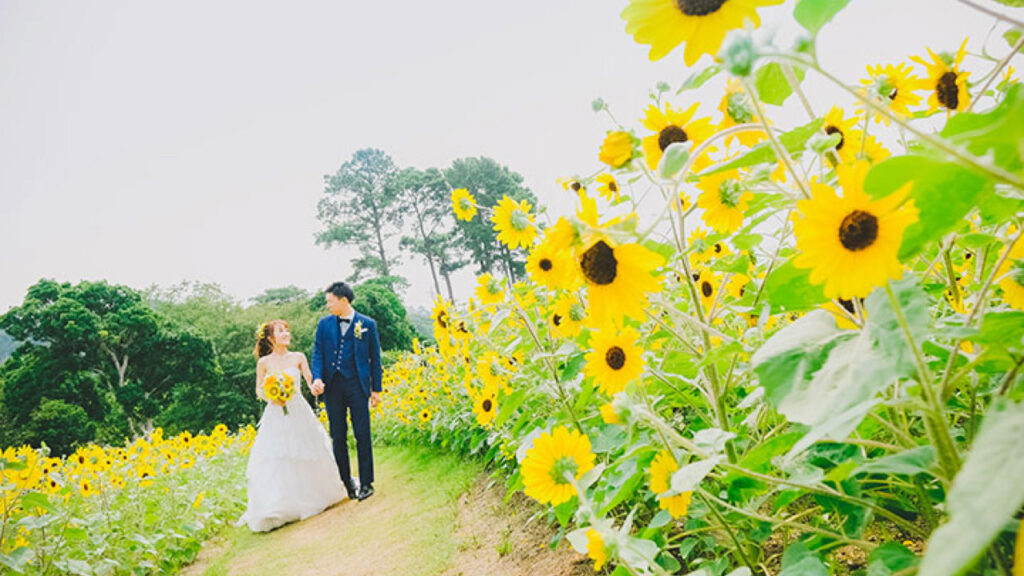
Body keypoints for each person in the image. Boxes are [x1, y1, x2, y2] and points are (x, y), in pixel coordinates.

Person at [237, 320, 347, 532]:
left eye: (287, 330)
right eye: (281, 331)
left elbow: (310, 379)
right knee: (279, 456)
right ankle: (281, 505)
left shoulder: (298, 357)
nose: (286, 333)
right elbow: (258, 390)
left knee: (306, 450)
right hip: (275, 412)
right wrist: (272, 395)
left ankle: (315, 495)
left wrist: (316, 385)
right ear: (271, 338)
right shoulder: (264, 363)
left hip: (299, 410)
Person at [311, 281, 383, 502]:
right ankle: (347, 483)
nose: (328, 306)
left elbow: (375, 358)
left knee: (362, 433)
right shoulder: (324, 325)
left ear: (343, 300)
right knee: (338, 436)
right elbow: (318, 354)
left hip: (357, 384)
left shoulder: (367, 324)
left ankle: (367, 483)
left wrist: (376, 389)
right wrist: (317, 377)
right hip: (332, 387)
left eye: (330, 302)